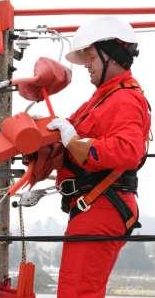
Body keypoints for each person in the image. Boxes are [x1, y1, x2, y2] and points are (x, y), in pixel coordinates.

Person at [46, 16, 151, 298]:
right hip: (93, 205)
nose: (86, 66)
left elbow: (128, 151)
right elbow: (63, 139)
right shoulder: (101, 99)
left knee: (77, 293)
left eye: (90, 57)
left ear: (112, 55)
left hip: (101, 204)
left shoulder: (125, 99)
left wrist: (72, 139)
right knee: (76, 290)